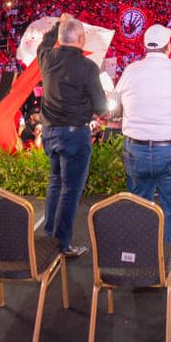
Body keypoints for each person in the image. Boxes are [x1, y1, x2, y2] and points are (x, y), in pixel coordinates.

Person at [114, 24, 171, 275]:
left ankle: (141, 261)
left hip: (137, 150)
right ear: (168, 46)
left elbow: (118, 99)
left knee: (140, 205)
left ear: (145, 46)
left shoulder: (131, 70)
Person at [38, 14, 107, 258]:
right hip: (74, 135)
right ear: (81, 39)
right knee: (70, 190)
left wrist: (58, 23)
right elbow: (101, 106)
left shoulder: (46, 58)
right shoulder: (87, 67)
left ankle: (50, 236)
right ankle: (62, 244)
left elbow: (44, 43)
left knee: (55, 183)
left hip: (49, 133)